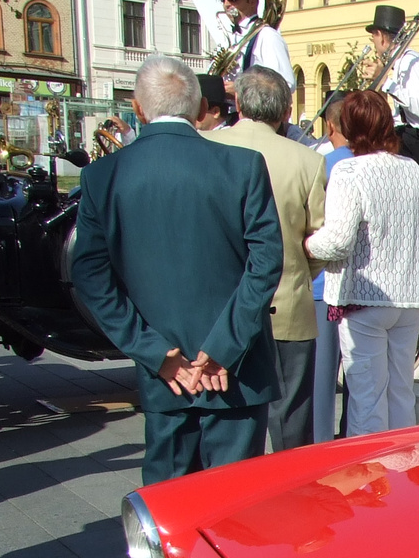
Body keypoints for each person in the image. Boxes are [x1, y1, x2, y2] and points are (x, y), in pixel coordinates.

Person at [70, 55, 282, 485]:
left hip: (166, 374)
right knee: (235, 511)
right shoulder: (242, 166)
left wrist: (154, 352)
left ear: (138, 107)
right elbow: (266, 264)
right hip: (234, 371)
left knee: (169, 514)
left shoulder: (104, 176)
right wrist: (223, 346)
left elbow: (91, 276)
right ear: (199, 106)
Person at [206, 67, 327, 453]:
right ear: (286, 111)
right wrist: (298, 274)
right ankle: (292, 503)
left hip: (220, 307)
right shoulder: (307, 161)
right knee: (291, 422)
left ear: (237, 103)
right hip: (287, 303)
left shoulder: (209, 147)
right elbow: (317, 240)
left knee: (230, 425)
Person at [305, 90, 419, 436]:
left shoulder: (350, 170)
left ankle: (370, 478)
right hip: (408, 300)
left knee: (367, 400)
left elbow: (337, 240)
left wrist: (305, 244)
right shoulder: (415, 172)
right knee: (400, 394)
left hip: (364, 298)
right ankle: (402, 472)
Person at [312, 94, 352, 441]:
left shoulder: (318, 165)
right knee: (361, 383)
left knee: (320, 386)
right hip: (364, 290)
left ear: (330, 126)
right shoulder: (373, 164)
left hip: (322, 285)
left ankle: (321, 450)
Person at [366, 5, 419, 172]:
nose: (375, 46)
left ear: (381, 37)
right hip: (411, 137)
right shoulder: (400, 64)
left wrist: (385, 81)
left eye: (374, 39)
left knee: (372, 156)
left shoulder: (411, 63)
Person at [216, 0, 294, 90]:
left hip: (254, 108)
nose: (226, 4)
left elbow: (286, 84)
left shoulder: (267, 36)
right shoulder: (230, 37)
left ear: (252, 1)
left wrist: (240, 90)